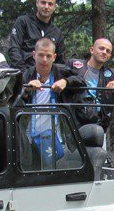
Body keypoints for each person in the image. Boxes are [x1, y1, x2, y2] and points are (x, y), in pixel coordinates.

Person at [21, 39, 84, 167]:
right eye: (41, 55)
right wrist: (26, 89)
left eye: (48, 56)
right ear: (34, 55)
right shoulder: (27, 75)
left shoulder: (61, 72)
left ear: (54, 57)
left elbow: (82, 81)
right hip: (30, 138)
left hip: (57, 138)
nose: (44, 59)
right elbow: (14, 99)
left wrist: (66, 82)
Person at [69, 38, 114, 138]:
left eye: (108, 51)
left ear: (109, 56)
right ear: (92, 50)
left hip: (99, 127)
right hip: (73, 124)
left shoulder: (110, 74)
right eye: (101, 48)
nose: (104, 52)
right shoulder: (75, 65)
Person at [7, 0, 67, 71]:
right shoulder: (23, 22)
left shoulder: (57, 32)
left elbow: (61, 60)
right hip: (22, 72)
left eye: (50, 4)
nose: (46, 7)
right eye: (43, 3)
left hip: (47, 76)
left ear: (54, 7)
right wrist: (25, 73)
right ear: (37, 3)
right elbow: (14, 48)